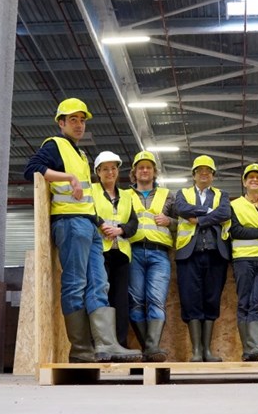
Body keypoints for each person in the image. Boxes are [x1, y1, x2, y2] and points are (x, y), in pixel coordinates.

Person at [23, 98, 142, 363]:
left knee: (100, 284)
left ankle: (105, 344)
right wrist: (69, 178)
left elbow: (85, 198)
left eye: (82, 120)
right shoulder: (54, 145)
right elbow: (31, 170)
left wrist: (98, 222)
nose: (79, 124)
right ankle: (80, 349)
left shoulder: (79, 153)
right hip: (69, 223)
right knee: (75, 284)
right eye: (73, 120)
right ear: (61, 123)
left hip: (88, 225)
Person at [174, 155, 231, 362]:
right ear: (194, 175)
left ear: (213, 175)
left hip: (216, 254)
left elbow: (225, 213)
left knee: (211, 299)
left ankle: (207, 350)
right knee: (191, 300)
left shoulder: (222, 195)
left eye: (208, 171)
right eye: (200, 171)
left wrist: (199, 219)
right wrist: (209, 213)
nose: (204, 174)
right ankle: (196, 351)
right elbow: (181, 209)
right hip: (189, 254)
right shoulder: (183, 193)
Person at [127, 150, 175, 362]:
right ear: (135, 173)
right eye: (141, 168)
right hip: (133, 252)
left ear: (154, 172)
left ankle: (151, 347)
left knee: (156, 301)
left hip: (159, 253)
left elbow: (184, 224)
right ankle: (150, 349)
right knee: (136, 302)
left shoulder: (169, 195)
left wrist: (170, 222)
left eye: (148, 167)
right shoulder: (123, 196)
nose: (144, 171)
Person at [229, 163, 258, 362]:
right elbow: (236, 231)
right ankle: (248, 349)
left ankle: (254, 347)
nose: (254, 180)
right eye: (250, 177)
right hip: (243, 259)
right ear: (244, 182)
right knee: (244, 303)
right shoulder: (235, 205)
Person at [92, 150, 138, 348]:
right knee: (100, 294)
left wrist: (120, 230)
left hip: (121, 253)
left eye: (113, 168)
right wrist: (102, 225)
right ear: (98, 172)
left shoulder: (127, 196)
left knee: (120, 299)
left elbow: (134, 223)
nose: (110, 172)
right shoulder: (92, 191)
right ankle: (101, 343)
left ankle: (119, 343)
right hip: (99, 251)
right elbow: (88, 210)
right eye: (105, 169)